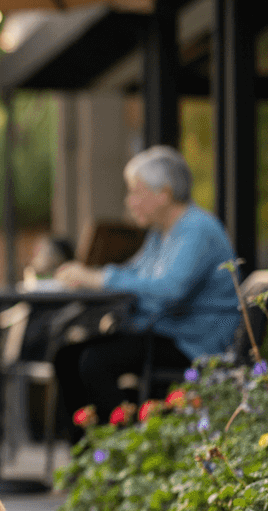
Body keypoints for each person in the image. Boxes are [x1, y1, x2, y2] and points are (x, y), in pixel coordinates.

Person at [53, 145, 239, 426]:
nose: (129, 201)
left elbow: (170, 289)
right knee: (67, 356)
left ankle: (122, 448)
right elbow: (134, 273)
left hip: (193, 344)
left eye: (136, 192)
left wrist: (99, 279)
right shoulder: (161, 233)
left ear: (163, 194)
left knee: (93, 361)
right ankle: (91, 454)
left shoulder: (197, 229)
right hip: (166, 333)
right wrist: (90, 276)